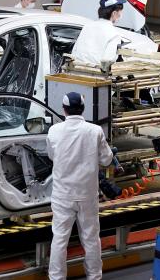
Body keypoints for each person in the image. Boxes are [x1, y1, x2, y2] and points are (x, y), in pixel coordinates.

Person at [47, 92, 114, 280]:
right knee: (91, 238)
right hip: (87, 195)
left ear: (64, 109)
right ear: (83, 108)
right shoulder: (95, 131)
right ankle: (94, 276)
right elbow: (107, 159)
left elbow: (52, 155)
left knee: (59, 239)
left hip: (62, 195)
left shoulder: (54, 131)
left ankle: (56, 278)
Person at [71, 0, 127, 66]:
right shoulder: (114, 34)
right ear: (114, 13)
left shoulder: (87, 27)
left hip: (77, 70)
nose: (121, 15)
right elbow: (107, 61)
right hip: (96, 74)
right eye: (121, 12)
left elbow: (74, 52)